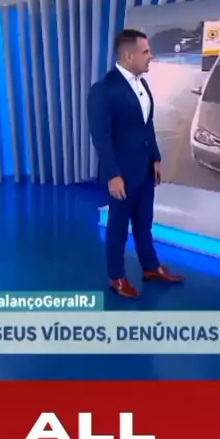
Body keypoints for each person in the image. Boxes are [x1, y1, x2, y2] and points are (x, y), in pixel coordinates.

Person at [87, 29, 184, 298]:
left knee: (144, 223)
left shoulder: (142, 84)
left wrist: (156, 157)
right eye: (146, 52)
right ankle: (116, 277)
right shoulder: (104, 89)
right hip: (121, 173)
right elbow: (101, 137)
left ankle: (150, 267)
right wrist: (113, 175)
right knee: (118, 227)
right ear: (129, 56)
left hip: (144, 169)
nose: (151, 56)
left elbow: (147, 125)